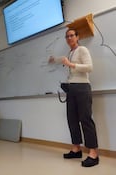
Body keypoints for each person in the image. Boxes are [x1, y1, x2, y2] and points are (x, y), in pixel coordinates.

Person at [48, 28, 99, 167]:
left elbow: (89, 67)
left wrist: (70, 64)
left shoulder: (82, 50)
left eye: (72, 35)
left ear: (77, 37)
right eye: (67, 36)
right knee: (72, 119)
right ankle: (76, 149)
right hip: (71, 89)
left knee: (85, 119)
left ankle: (93, 153)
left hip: (82, 88)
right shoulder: (70, 53)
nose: (69, 38)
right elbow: (65, 61)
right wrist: (54, 60)